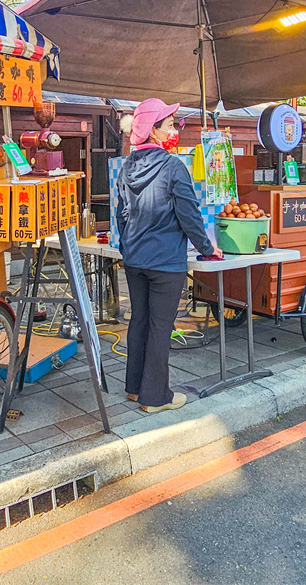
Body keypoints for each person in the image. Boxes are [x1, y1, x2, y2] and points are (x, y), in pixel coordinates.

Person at [117, 98, 221, 413]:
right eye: (170, 124)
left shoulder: (126, 167)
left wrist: (127, 246)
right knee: (160, 326)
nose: (174, 129)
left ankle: (134, 389)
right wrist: (207, 248)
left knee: (140, 321)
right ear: (155, 131)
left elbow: (122, 215)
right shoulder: (173, 166)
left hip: (134, 259)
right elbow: (189, 214)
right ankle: (155, 397)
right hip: (165, 262)